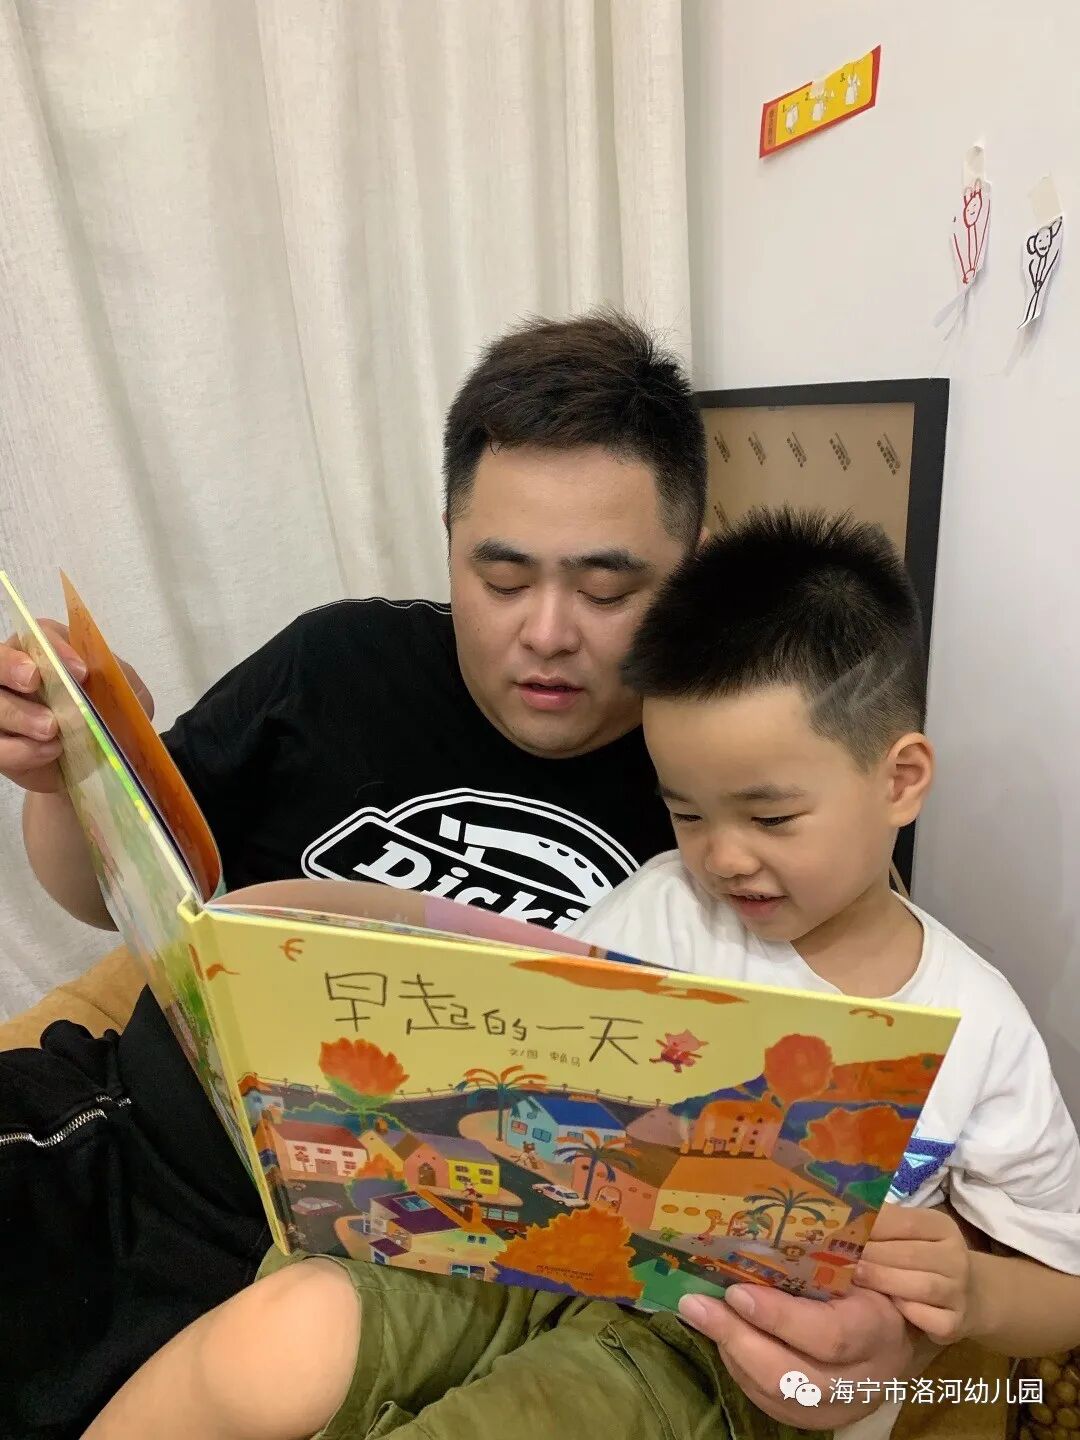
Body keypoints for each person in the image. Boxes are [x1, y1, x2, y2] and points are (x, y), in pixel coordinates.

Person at [0, 315, 914, 1437]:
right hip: (129, 1147)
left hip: (420, 1299)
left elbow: (852, 1109)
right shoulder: (335, 665)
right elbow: (102, 895)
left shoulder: (740, 787)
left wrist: (886, 1340)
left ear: (693, 563)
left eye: (608, 590)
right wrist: (67, 772)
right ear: (449, 541)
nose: (548, 633)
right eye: (502, 576)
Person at [77, 508, 1080, 1440]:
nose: (723, 857)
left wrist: (974, 1297)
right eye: (686, 811)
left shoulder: (979, 1021)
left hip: (720, 1356)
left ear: (900, 779)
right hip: (520, 1249)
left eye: (771, 816)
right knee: (277, 1336)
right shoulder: (660, 901)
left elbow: (1065, 1291)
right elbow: (511, 1030)